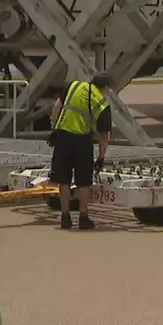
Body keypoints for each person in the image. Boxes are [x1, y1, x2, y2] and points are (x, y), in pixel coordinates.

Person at [49, 72, 113, 230]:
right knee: (83, 181)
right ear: (105, 87)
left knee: (63, 180)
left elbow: (57, 106)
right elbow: (104, 135)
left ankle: (65, 217)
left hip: (62, 137)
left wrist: (54, 128)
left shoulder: (74, 86)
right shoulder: (102, 102)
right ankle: (83, 216)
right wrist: (101, 157)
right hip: (82, 141)